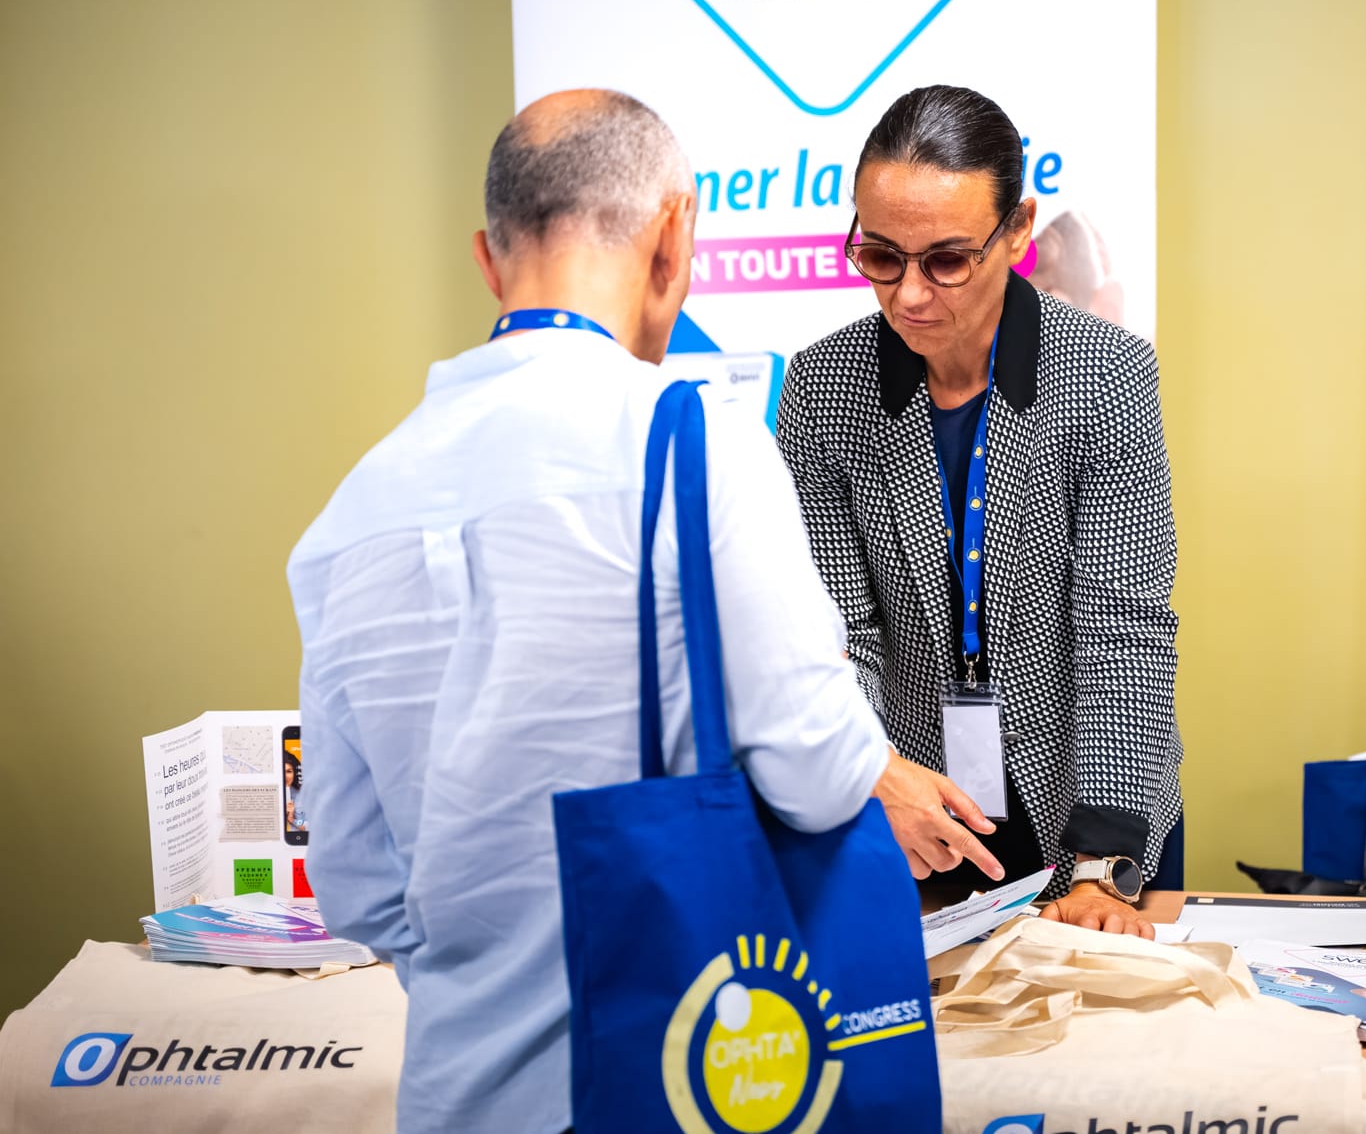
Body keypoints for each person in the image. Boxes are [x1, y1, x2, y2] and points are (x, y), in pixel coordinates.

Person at [288, 90, 989, 1134]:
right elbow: (817, 772)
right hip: (677, 1083)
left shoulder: (350, 514)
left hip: (457, 1099)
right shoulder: (698, 444)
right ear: (673, 236)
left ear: (488, 260)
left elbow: (356, 885)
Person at [776, 85, 1183, 937]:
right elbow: (842, 633)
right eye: (881, 256)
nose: (909, 295)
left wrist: (1100, 867)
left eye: (947, 260)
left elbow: (1122, 630)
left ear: (1018, 230)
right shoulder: (822, 389)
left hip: (1091, 801)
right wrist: (873, 777)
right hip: (917, 809)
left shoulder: (1106, 375)